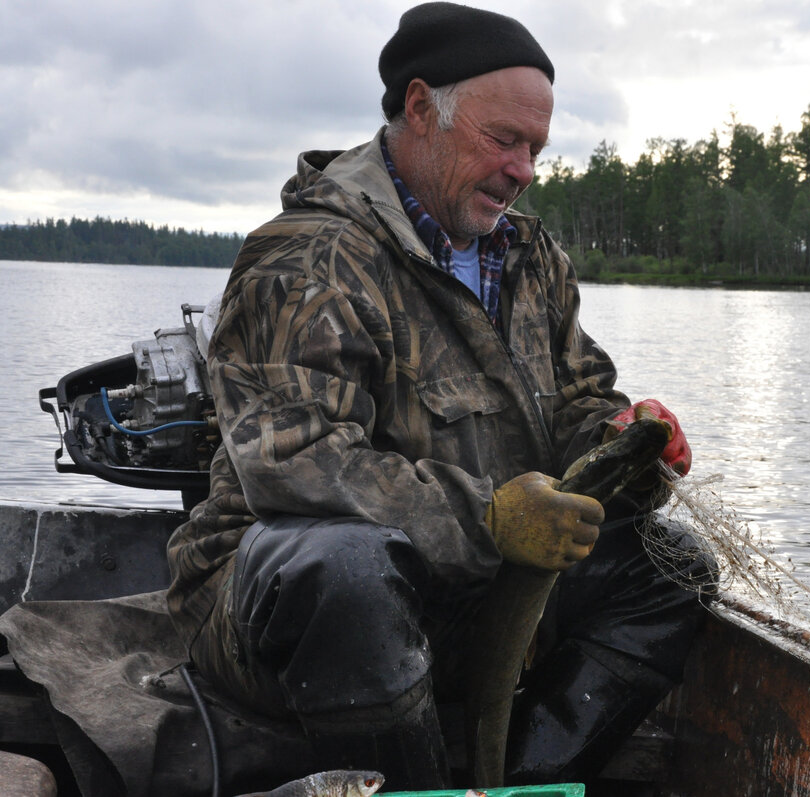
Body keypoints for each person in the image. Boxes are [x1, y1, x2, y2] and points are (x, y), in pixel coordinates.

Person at [165, 1, 712, 790]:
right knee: (348, 568)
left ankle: (523, 781)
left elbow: (579, 401)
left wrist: (628, 439)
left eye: (536, 149)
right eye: (504, 140)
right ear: (420, 109)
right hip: (272, 613)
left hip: (465, 592)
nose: (524, 170)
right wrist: (491, 519)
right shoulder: (305, 258)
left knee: (672, 568)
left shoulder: (530, 257)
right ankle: (417, 788)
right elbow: (297, 465)